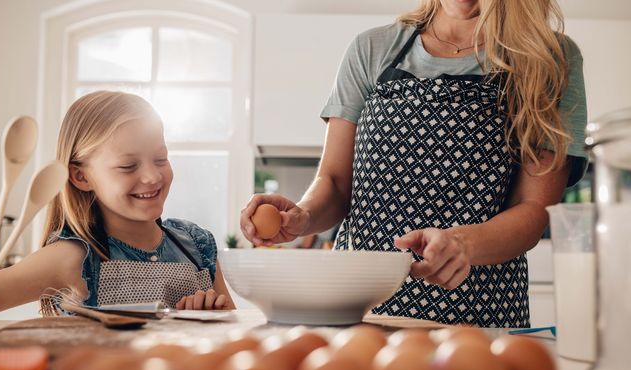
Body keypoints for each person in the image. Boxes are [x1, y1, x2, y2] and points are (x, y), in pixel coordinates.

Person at [240, 0, 587, 327]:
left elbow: (535, 208)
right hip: (362, 308)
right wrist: (302, 216)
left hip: (478, 314)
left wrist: (462, 244)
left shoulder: (549, 59)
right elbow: (334, 182)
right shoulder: (373, 49)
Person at [0, 91, 234, 328]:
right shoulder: (72, 258)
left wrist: (211, 314)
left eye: (160, 159)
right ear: (81, 177)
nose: (153, 176)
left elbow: (233, 330)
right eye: (128, 166)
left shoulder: (196, 245)